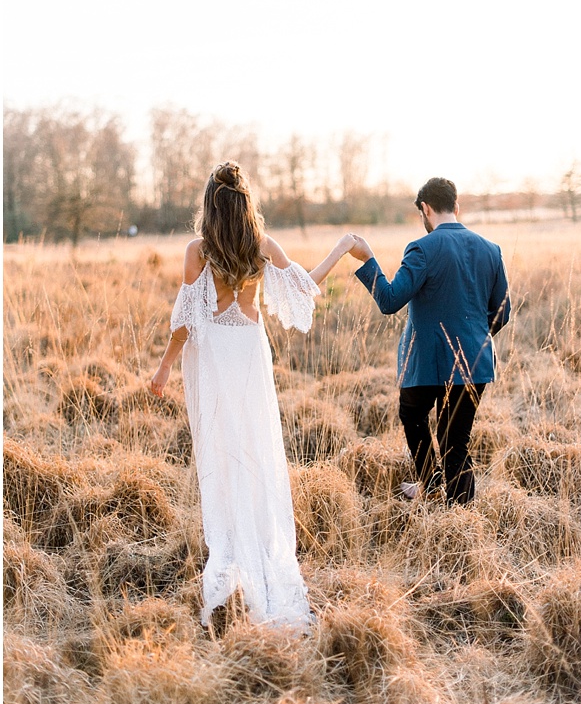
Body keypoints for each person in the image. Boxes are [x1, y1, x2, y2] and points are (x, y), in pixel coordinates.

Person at [150, 161, 355, 631]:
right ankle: (259, 546)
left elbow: (184, 323)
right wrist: (342, 248)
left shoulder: (198, 251)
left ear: (209, 207)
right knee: (257, 448)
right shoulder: (261, 246)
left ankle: (231, 547)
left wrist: (164, 367)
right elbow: (306, 285)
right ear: (246, 206)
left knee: (222, 448)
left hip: (216, 357)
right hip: (249, 351)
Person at [349, 177, 511, 506]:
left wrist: (368, 260)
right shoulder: (491, 250)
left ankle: (433, 486)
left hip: (425, 364)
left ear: (425, 209)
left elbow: (390, 300)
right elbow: (502, 312)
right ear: (456, 206)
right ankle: (458, 522)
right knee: (456, 444)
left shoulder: (422, 248)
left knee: (412, 416)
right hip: (474, 366)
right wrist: (475, 339)